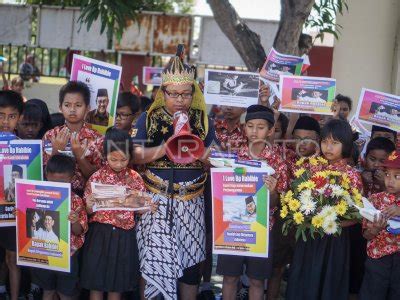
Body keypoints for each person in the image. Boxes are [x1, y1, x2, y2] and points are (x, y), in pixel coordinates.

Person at [132, 54, 217, 299]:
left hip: (191, 201)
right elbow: (133, 155)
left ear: (193, 93)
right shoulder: (149, 118)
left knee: (190, 269)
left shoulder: (203, 120)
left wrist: (199, 152)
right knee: (152, 266)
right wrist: (164, 148)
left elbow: (218, 160)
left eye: (186, 94)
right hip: (155, 202)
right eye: (174, 94)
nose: (180, 100)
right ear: (164, 92)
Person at [217, 104, 288, 300]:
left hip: (262, 228)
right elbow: (222, 189)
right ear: (244, 127)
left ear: (271, 130)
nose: (254, 131)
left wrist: (272, 192)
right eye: (250, 126)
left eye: (260, 127)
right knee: (230, 277)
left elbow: (276, 202)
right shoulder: (233, 156)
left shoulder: (277, 161)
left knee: (257, 280)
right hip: (233, 226)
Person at [286, 118, 363, 300]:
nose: (329, 147)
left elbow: (358, 214)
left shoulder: (351, 175)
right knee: (304, 279)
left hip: (335, 240)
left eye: (335, 143)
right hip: (310, 237)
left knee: (328, 283)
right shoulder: (312, 168)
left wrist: (331, 224)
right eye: (325, 142)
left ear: (346, 145)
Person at [81, 128, 154, 299]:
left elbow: (140, 211)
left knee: (117, 285)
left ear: (130, 157)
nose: (119, 164)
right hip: (100, 234)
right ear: (105, 155)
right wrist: (89, 206)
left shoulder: (135, 178)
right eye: (113, 159)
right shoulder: (96, 178)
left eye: (124, 159)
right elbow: (88, 211)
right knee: (96, 283)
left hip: (124, 235)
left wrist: (148, 207)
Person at [267, 116, 321, 300]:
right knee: (276, 269)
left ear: (318, 141)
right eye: (297, 138)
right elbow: (269, 140)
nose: (302, 144)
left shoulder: (323, 166)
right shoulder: (285, 155)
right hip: (283, 221)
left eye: (307, 139)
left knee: (304, 270)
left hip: (308, 224)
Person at [31, 154, 88, 300]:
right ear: (46, 175)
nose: (57, 186)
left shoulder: (75, 200)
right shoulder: (37, 196)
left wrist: (74, 220)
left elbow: (79, 231)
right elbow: (32, 222)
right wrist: (20, 213)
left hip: (68, 256)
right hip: (45, 253)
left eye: (62, 182)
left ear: (71, 179)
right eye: (53, 181)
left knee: (65, 294)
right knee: (48, 291)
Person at [42, 81, 104, 197]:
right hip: (55, 196)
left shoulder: (97, 139)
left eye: (78, 105)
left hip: (86, 199)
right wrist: (56, 152)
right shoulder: (51, 136)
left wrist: (80, 156)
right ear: (60, 107)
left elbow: (97, 178)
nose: (72, 109)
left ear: (87, 108)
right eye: (67, 105)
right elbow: (44, 175)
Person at [359, 150, 400, 299]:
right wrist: (375, 229)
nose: (390, 180)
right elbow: (366, 234)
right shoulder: (375, 200)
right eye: (387, 174)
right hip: (378, 259)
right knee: (372, 294)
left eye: (397, 176)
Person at [0, 90, 24, 300]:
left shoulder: (25, 149)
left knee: (11, 257)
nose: (5, 121)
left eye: (11, 116)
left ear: (20, 118)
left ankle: (14, 296)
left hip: (10, 212)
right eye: (0, 115)